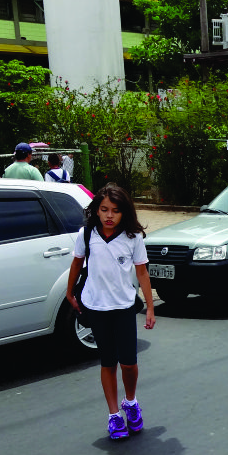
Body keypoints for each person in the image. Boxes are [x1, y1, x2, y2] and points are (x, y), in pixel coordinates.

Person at [66, 184, 156, 440]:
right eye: (104, 209)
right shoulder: (86, 234)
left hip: (124, 307)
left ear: (123, 212)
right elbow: (76, 263)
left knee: (129, 363)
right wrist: (69, 292)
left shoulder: (133, 237)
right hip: (96, 307)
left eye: (115, 211)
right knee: (108, 362)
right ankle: (114, 415)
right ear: (95, 211)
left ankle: (131, 401)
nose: (108, 215)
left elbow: (141, 272)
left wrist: (150, 306)